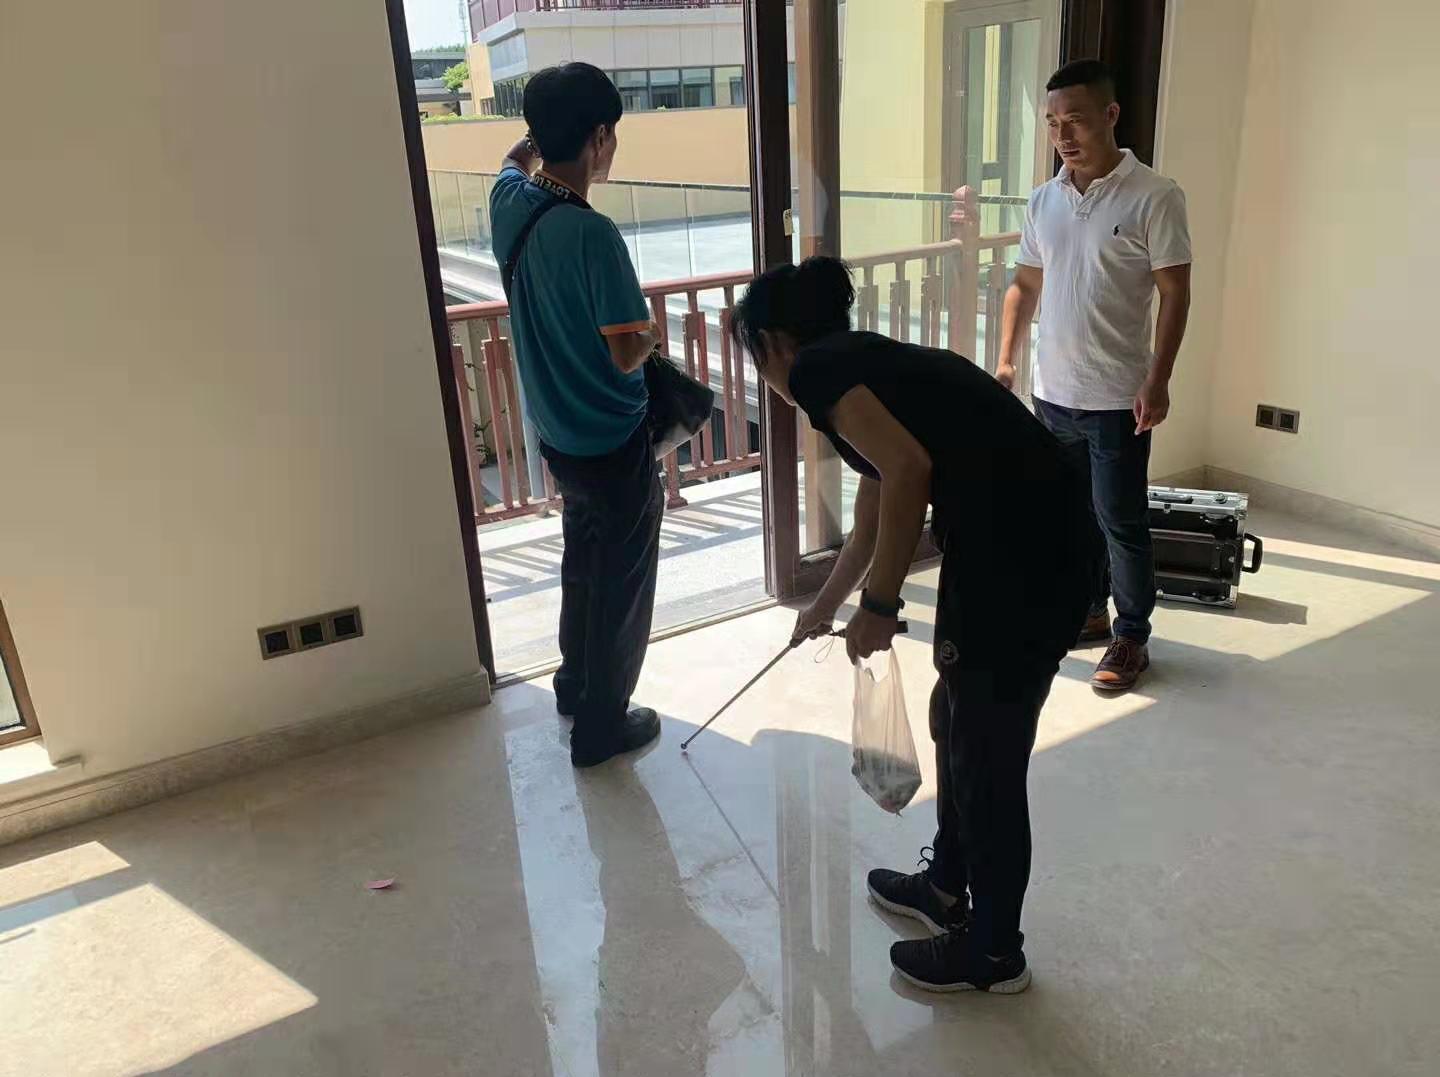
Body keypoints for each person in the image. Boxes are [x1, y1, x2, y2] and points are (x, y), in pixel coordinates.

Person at [730, 257, 1096, 994]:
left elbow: (908, 473)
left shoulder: (818, 373)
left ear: (772, 344)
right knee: (952, 715)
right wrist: (827, 605)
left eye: (754, 358)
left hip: (1026, 559)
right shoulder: (861, 364)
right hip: (1015, 547)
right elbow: (876, 505)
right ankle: (947, 887)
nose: (763, 376)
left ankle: (994, 952)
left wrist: (879, 608)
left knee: (986, 754)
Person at [997, 58, 1192, 692]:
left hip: (1117, 398)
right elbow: (1025, 285)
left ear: (1110, 115)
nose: (1064, 135)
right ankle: (1087, 611)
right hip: (1051, 394)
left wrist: (1157, 379)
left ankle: (1131, 635)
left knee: (1121, 523)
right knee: (1069, 517)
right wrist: (1006, 359)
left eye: (1076, 120)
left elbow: (1175, 294)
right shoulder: (1044, 200)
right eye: (1053, 123)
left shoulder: (1155, 195)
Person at [490, 64, 665, 768]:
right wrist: (651, 334)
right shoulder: (595, 235)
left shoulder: (509, 202)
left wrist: (535, 140)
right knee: (621, 583)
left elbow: (511, 160)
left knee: (582, 562)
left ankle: (572, 686)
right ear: (598, 138)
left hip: (557, 437)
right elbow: (626, 354)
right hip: (613, 440)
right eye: (611, 133)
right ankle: (601, 726)